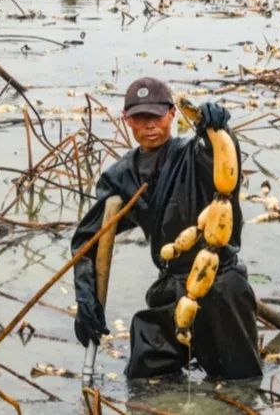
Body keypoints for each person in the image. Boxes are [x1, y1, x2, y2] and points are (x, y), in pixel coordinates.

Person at [71, 76, 262, 380]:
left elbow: (224, 159)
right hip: (172, 288)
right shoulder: (121, 177)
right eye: (139, 118)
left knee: (240, 380)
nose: (149, 125)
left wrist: (219, 129)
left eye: (156, 116)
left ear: (172, 114)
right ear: (126, 120)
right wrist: (85, 298)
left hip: (221, 283)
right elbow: (88, 239)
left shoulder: (195, 152)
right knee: (144, 373)